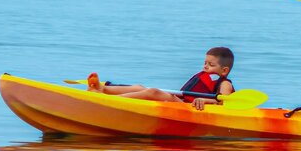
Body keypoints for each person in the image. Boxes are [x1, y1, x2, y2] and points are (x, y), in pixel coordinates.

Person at [86, 47, 235, 111]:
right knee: (139, 87)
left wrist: (206, 100)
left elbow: (223, 102)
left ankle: (108, 101)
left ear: (224, 70)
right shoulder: (207, 75)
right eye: (205, 63)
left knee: (153, 92)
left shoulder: (224, 83)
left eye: (211, 65)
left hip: (189, 108)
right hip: (182, 102)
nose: (206, 67)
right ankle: (103, 89)